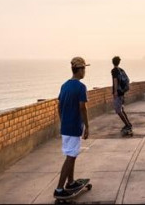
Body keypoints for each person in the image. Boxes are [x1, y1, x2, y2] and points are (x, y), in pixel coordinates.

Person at [54, 57, 89, 201]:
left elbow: (59, 105)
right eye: (84, 69)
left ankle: (71, 181)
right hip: (74, 126)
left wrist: (63, 121)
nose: (85, 71)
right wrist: (87, 126)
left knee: (71, 154)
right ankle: (59, 189)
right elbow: (83, 107)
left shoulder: (64, 86)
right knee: (70, 156)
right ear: (80, 70)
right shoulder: (81, 87)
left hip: (66, 126)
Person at [111, 56, 133, 135]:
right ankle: (128, 124)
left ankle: (127, 125)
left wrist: (115, 92)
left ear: (113, 62)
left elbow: (115, 80)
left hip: (118, 92)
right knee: (122, 109)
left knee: (118, 110)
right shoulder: (121, 70)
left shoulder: (114, 70)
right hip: (122, 92)